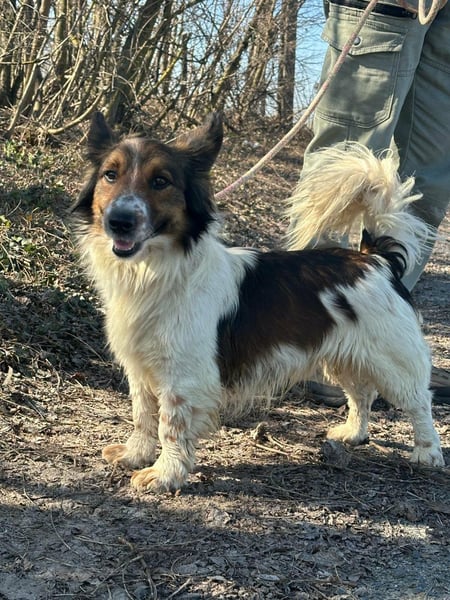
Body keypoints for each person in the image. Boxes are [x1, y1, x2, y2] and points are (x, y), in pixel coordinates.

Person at [296, 0, 450, 404]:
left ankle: (383, 340)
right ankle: (316, 343)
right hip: (384, 8)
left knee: (428, 185)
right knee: (340, 171)